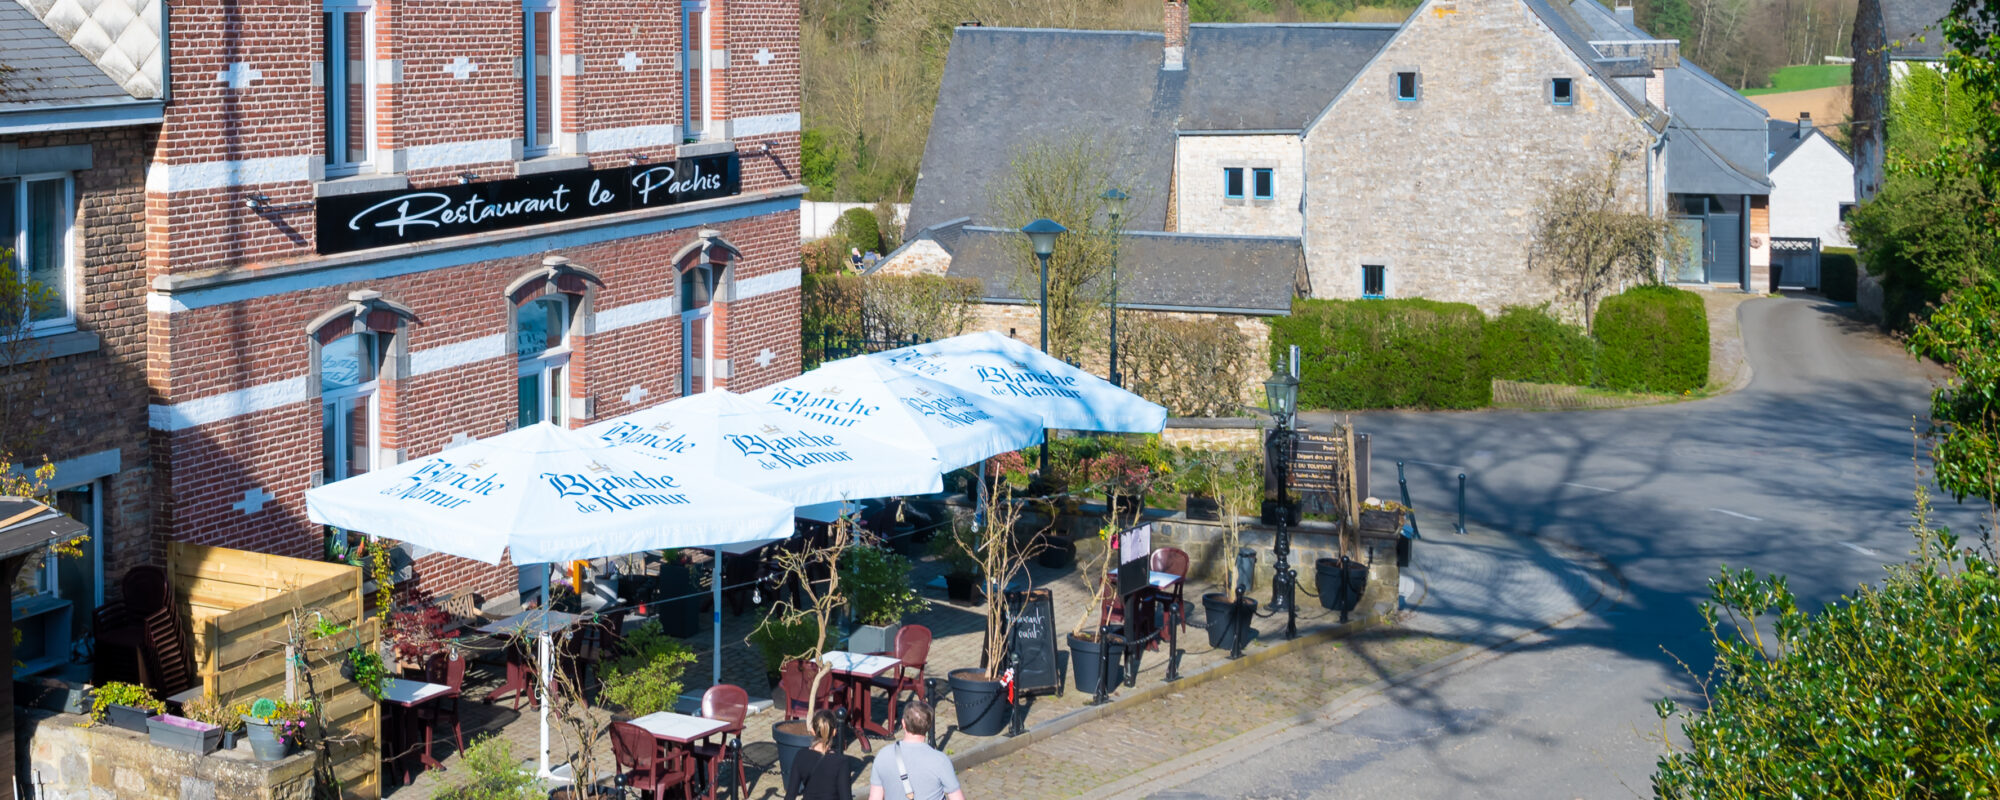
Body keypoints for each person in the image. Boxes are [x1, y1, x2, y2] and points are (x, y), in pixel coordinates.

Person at [868, 701, 965, 800]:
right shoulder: (940, 761)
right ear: (929, 726)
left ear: (903, 723)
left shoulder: (883, 755)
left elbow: (875, 797)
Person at [787, 709, 850, 800]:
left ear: (812, 731)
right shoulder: (842, 762)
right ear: (834, 732)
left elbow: (790, 796)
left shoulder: (801, 755)